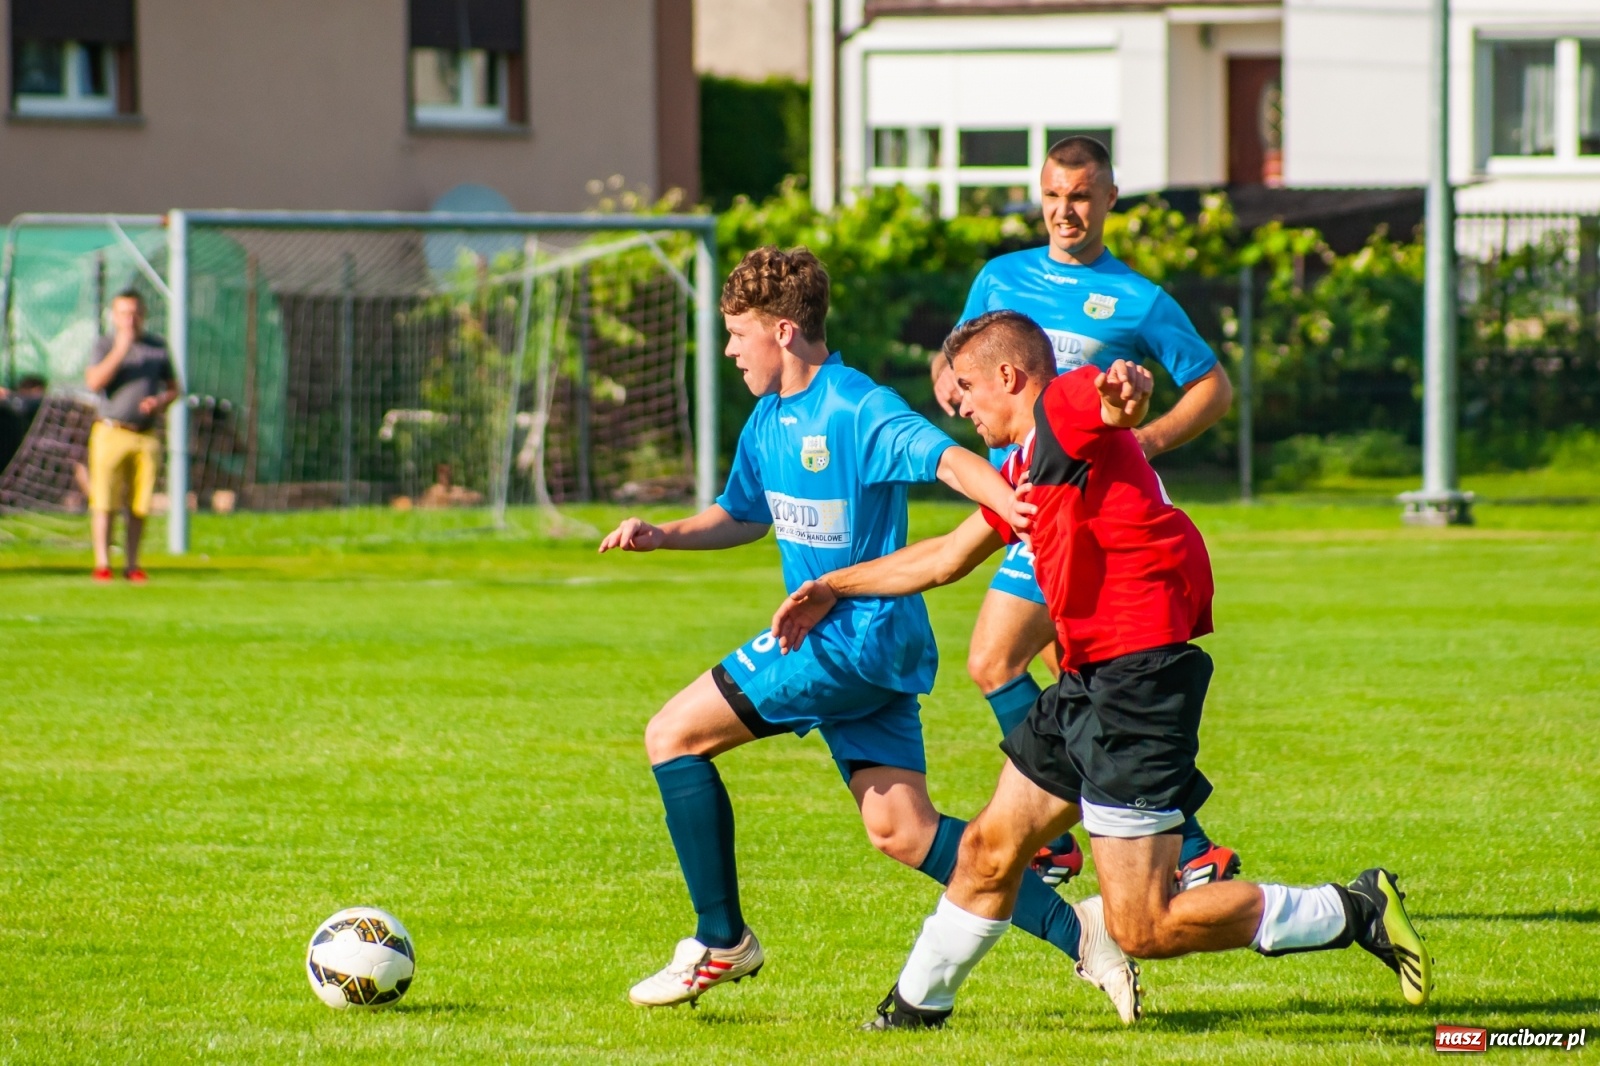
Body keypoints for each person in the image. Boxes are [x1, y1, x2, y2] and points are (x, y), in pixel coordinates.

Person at [775, 311, 1431, 1028]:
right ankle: (911, 1012)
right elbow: (945, 557)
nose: (958, 403)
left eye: (965, 386)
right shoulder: (1026, 466)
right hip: (1088, 682)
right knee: (989, 850)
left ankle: (1353, 908)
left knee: (1144, 926)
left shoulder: (1060, 411)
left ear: (1008, 376)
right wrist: (833, 585)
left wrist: (1125, 392)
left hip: (1137, 685)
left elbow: (1105, 402)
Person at [598, 248, 1141, 1023]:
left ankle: (720, 938)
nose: (729, 351)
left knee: (671, 735)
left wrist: (1010, 502)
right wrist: (666, 534)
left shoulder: (857, 406)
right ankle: (1079, 929)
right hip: (868, 653)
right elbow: (742, 515)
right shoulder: (767, 420)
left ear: (782, 332)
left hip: (846, 642)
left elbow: (949, 459)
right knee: (902, 831)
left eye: (737, 334)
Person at [930, 136, 1237, 890]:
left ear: (1108, 201)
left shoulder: (1139, 299)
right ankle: (1185, 845)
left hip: (1090, 512)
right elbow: (958, 355)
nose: (1065, 211)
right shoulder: (1001, 278)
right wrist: (951, 382)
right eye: (1053, 196)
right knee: (1064, 667)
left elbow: (1213, 388)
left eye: (1080, 197)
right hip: (1031, 498)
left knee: (997, 660)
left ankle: (1079, 836)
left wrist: (1146, 438)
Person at [83, 290, 178, 582]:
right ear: (114, 316)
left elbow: (174, 388)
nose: (130, 319)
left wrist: (159, 402)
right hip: (111, 430)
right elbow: (94, 382)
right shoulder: (105, 345)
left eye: (135, 312)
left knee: (139, 503)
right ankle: (103, 563)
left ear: (144, 314)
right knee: (105, 500)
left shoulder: (156, 347)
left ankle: (132, 564)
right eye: (124, 313)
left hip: (145, 433)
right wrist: (120, 350)